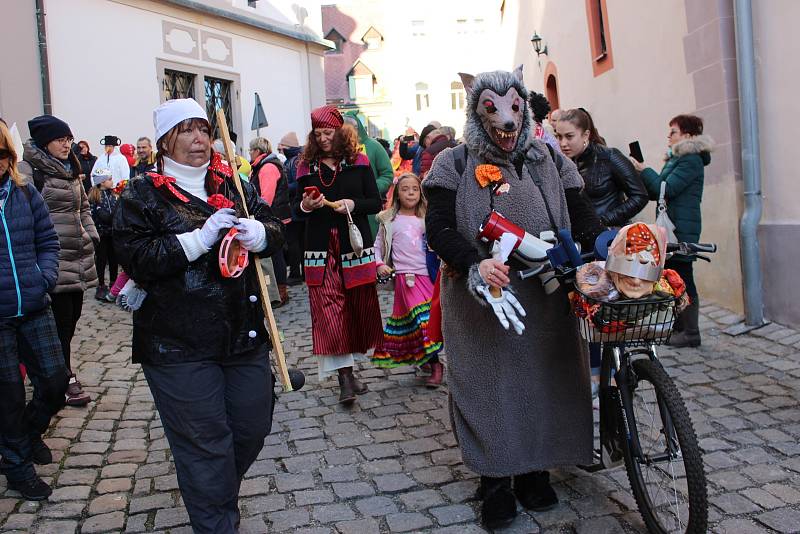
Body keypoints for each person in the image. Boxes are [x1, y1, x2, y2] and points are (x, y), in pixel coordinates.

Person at [423, 67, 604, 529]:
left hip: (547, 295)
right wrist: (474, 264)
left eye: (514, 108)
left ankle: (535, 471)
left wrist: (610, 242)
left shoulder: (550, 158)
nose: (505, 122)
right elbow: (438, 227)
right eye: (492, 109)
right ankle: (496, 480)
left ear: (524, 109)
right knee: (491, 387)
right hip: (484, 297)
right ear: (476, 111)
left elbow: (581, 212)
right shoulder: (454, 163)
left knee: (546, 383)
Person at [113, 98, 284, 533]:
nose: (199, 139)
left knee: (251, 428)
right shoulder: (140, 194)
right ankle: (217, 520)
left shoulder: (233, 182)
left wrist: (261, 233)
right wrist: (198, 239)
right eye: (186, 130)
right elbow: (138, 258)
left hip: (242, 335)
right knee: (205, 447)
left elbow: (275, 229)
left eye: (204, 129)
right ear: (167, 140)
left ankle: (213, 493)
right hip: (177, 344)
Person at [294, 105, 383, 404]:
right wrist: (307, 205)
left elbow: (375, 201)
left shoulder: (358, 161)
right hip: (320, 248)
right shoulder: (306, 165)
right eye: (317, 134)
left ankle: (351, 371)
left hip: (353, 246)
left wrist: (352, 204)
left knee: (356, 307)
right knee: (330, 310)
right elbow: (295, 209)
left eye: (328, 133)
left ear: (340, 132)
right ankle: (344, 377)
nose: (322, 139)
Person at [0, 120, 67, 501]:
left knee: (55, 383)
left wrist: (44, 277)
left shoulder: (24, 193)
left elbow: (48, 240)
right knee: (8, 395)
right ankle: (17, 465)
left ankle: (25, 437)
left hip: (34, 303)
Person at [19, 114, 98, 408]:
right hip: (51, 260)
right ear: (44, 142)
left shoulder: (70, 168)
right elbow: (25, 215)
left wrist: (90, 234)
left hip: (76, 256)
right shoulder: (30, 171)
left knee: (71, 319)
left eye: (69, 139)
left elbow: (84, 206)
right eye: (60, 140)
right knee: (59, 323)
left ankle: (54, 374)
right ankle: (63, 378)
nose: (67, 145)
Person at [631, 114, 713, 348]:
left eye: (673, 132)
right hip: (675, 226)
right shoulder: (677, 159)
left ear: (687, 135)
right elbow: (657, 191)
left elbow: (665, 189)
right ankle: (679, 326)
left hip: (682, 228)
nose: (669, 136)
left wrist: (645, 170)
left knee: (684, 276)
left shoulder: (690, 160)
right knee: (674, 274)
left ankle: (691, 332)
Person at [371, 173, 443, 385]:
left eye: (414, 189)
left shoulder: (427, 218)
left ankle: (435, 364)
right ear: (397, 194)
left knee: (425, 322)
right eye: (405, 189)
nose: (410, 193)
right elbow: (378, 247)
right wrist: (380, 264)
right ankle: (431, 361)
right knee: (417, 322)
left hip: (426, 277)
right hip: (405, 280)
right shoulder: (389, 220)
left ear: (420, 193)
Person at [555, 108, 648, 227]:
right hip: (580, 238)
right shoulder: (563, 163)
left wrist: (604, 220)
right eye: (559, 136)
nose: (563, 143)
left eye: (569, 136)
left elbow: (640, 196)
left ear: (586, 135)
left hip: (610, 237)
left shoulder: (609, 157)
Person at [249, 136, 291, 306]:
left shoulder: (267, 167)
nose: (250, 154)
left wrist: (260, 214)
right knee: (276, 255)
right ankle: (278, 290)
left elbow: (266, 196)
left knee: (276, 256)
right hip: (275, 216)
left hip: (274, 217)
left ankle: (280, 292)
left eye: (251, 150)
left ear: (257, 151)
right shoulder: (264, 165)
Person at [342, 111, 394, 235]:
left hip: (370, 207)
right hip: (345, 208)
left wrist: (371, 187)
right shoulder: (338, 150)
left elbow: (387, 174)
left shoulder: (374, 146)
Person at [278, 132, 305, 285]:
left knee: (295, 242)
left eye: (283, 148)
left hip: (295, 208)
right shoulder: (295, 160)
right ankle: (302, 273)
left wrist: (283, 188)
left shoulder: (295, 162)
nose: (281, 151)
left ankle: (296, 274)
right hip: (297, 207)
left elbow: (298, 183)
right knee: (300, 242)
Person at [88, 168, 118, 302]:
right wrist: (116, 215)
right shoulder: (96, 196)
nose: (112, 181)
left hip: (112, 233)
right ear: (102, 182)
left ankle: (114, 283)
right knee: (101, 259)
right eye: (109, 179)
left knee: (114, 259)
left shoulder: (113, 194)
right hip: (101, 233)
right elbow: (103, 216)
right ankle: (101, 284)